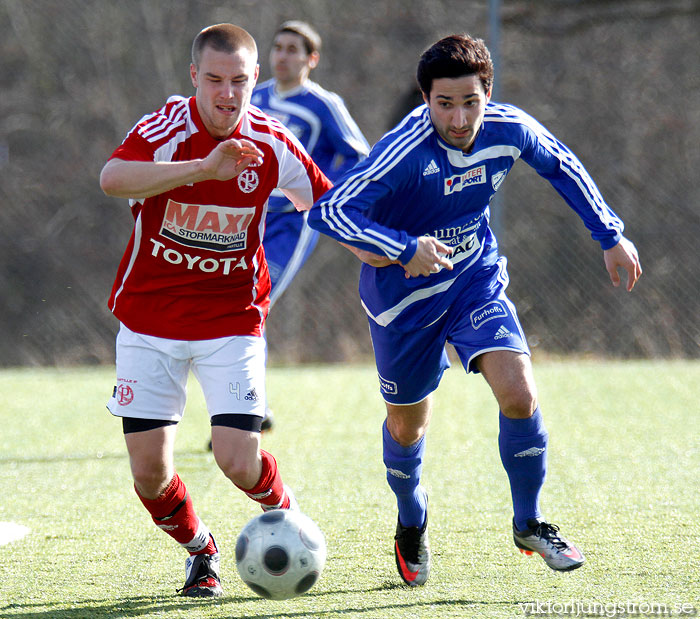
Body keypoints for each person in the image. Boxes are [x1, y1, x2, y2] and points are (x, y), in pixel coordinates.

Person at [308, 34, 641, 586]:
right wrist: (402, 248)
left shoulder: (509, 129)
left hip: (473, 281)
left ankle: (529, 521)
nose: (459, 118)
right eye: (444, 104)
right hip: (403, 302)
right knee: (407, 427)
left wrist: (610, 236)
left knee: (519, 391)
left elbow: (560, 164)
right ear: (425, 99)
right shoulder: (403, 150)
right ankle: (411, 519)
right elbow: (330, 211)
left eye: (470, 102)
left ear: (489, 93)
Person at [99, 23, 332, 597]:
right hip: (149, 320)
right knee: (149, 474)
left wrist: (396, 251)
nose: (227, 95)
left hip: (231, 319)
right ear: (194, 79)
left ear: (256, 79)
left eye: (239, 82)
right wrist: (204, 169)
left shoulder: (274, 142)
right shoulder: (167, 129)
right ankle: (201, 550)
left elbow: (328, 207)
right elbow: (112, 178)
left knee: (237, 459)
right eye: (214, 81)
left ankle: (289, 521)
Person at [251, 20, 369, 425]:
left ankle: (248, 409)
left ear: (311, 59)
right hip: (245, 220)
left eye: (293, 49)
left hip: (291, 226)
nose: (282, 56)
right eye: (278, 47)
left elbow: (358, 155)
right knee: (237, 305)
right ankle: (246, 407)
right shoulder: (253, 97)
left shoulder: (323, 105)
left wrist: (322, 191)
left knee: (252, 303)